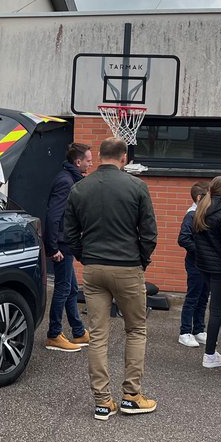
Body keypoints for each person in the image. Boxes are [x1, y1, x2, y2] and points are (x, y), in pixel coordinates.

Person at [63, 137, 159, 421]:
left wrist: (84, 256)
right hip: (128, 267)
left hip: (93, 268)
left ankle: (103, 402)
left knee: (98, 336)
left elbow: (69, 232)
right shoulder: (137, 187)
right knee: (136, 330)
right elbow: (149, 232)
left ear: (101, 155)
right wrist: (141, 260)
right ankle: (131, 395)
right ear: (124, 158)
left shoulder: (79, 188)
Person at [42, 143, 93, 352]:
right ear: (77, 161)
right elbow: (53, 216)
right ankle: (54, 335)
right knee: (63, 289)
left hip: (66, 243)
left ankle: (78, 331)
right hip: (61, 245)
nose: (91, 163)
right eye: (88, 160)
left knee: (71, 288)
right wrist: (52, 248)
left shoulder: (72, 178)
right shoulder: (66, 181)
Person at [192, 176, 221, 373]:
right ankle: (210, 354)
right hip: (220, 268)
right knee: (217, 310)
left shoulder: (200, 211)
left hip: (204, 266)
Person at [175, 182, 210, 347]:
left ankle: (199, 329)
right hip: (195, 263)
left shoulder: (203, 213)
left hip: (205, 264)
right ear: (199, 198)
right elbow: (183, 238)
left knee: (203, 297)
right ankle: (185, 332)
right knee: (193, 297)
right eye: (208, 198)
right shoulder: (191, 215)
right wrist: (200, 250)